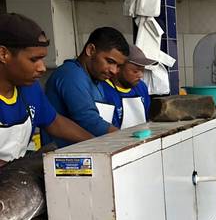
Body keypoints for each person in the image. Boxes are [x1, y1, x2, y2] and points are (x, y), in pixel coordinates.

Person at [0, 13, 92, 165]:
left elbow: (54, 122)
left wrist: (96, 143)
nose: (42, 68)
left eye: (42, 59)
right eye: (34, 59)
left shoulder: (29, 88)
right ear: (3, 54)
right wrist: (19, 170)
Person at [45, 27, 129, 146]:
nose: (114, 71)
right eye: (110, 61)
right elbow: (88, 120)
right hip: (64, 158)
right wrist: (125, 139)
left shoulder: (96, 79)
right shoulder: (71, 74)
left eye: (118, 66)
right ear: (91, 50)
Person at [99, 45, 153, 129]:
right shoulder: (102, 90)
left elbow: (148, 118)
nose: (141, 75)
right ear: (118, 68)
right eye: (135, 71)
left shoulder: (141, 87)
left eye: (142, 71)